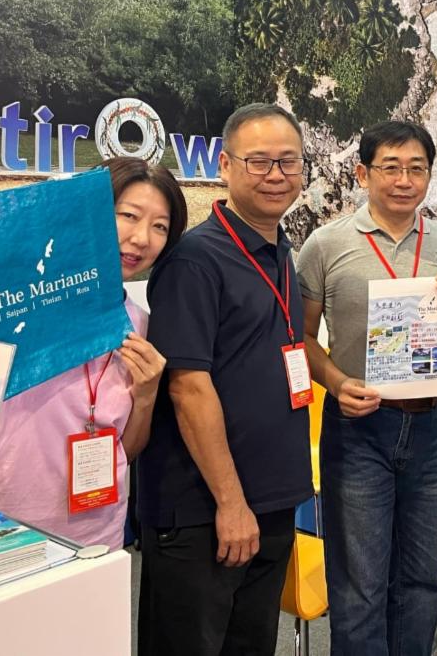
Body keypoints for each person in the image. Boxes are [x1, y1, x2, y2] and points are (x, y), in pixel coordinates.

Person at [0, 156, 187, 551]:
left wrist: (146, 397)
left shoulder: (139, 327)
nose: (142, 238)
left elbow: (128, 448)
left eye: (160, 226)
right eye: (128, 215)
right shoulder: (9, 307)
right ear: (83, 215)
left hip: (95, 534)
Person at [297, 120, 437, 656]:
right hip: (360, 427)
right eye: (390, 167)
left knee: (421, 575)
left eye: (417, 168)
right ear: (363, 173)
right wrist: (336, 384)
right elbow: (301, 339)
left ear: (430, 174)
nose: (404, 180)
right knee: (359, 581)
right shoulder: (327, 244)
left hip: (432, 424)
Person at [137, 104, 314, 656]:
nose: (275, 174)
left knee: (251, 644)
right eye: (258, 161)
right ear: (225, 165)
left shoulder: (280, 250)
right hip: (204, 509)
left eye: (288, 161)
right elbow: (188, 387)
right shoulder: (196, 260)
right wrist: (231, 503)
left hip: (269, 500)